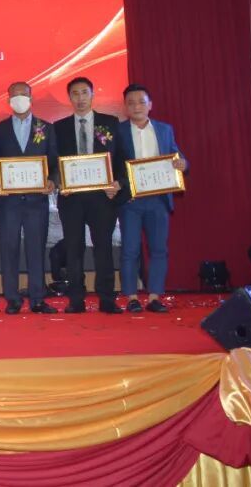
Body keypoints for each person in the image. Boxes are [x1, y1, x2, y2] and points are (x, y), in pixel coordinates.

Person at [115, 84, 188, 313]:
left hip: (158, 199)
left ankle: (155, 296)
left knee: (158, 249)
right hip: (131, 201)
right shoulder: (118, 131)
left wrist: (183, 163)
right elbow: (114, 165)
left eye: (141, 101)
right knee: (130, 250)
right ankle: (132, 297)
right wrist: (120, 186)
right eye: (131, 102)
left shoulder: (165, 129)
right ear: (125, 107)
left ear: (150, 105)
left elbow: (176, 154)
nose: (136, 106)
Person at [53, 76, 123, 314]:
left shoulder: (110, 123)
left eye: (84, 92)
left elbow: (121, 158)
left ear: (92, 95)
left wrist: (118, 183)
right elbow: (53, 162)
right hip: (71, 198)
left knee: (103, 247)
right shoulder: (59, 127)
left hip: (102, 197)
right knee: (73, 249)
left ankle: (107, 298)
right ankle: (76, 299)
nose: (80, 98)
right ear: (69, 98)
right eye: (75, 93)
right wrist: (59, 181)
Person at [0, 82, 58, 314]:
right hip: (8, 201)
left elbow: (54, 161)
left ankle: (38, 298)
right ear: (8, 99)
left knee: (36, 249)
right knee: (8, 249)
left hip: (37, 201)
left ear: (31, 98)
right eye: (14, 96)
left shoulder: (46, 128)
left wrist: (53, 181)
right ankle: (13, 299)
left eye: (23, 95)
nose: (19, 99)